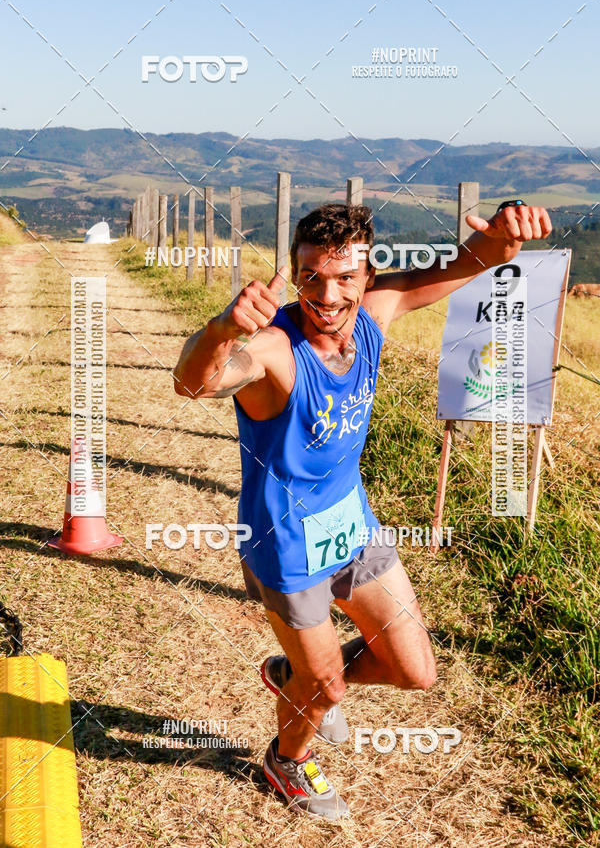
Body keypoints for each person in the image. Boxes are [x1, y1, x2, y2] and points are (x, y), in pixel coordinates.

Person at [173, 201, 551, 820]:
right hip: (287, 544)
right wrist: (219, 331)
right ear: (296, 274)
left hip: (353, 526)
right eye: (312, 276)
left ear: (367, 278)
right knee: (324, 689)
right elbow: (194, 383)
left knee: (415, 670)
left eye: (345, 277)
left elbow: (470, 263)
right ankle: (286, 760)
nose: (327, 294)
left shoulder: (375, 314)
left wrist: (507, 236)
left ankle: (296, 673)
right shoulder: (274, 349)